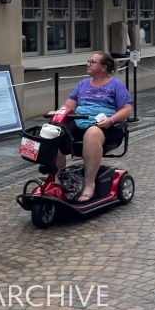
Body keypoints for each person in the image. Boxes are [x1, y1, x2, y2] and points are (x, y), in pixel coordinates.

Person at [60, 53, 133, 203]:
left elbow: (126, 109)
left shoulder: (116, 85)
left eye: (92, 62)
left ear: (104, 67)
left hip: (107, 127)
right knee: (55, 132)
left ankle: (89, 184)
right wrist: (59, 114)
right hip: (79, 123)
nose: (88, 64)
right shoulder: (82, 84)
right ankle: (58, 179)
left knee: (92, 133)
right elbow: (69, 105)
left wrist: (111, 120)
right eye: (88, 61)